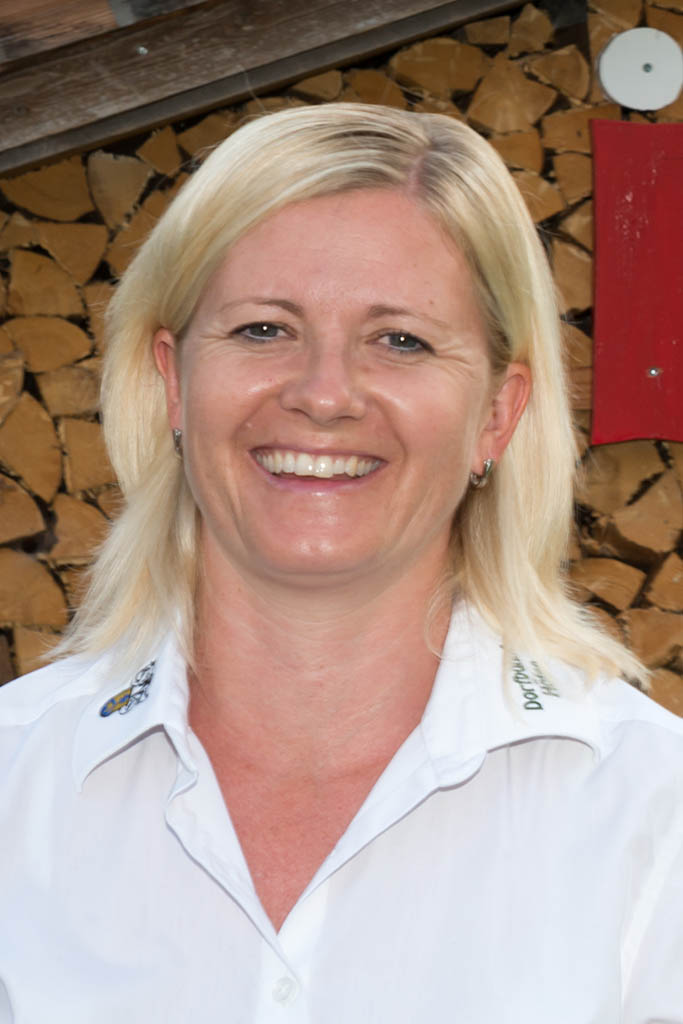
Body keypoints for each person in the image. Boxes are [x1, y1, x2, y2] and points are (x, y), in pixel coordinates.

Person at [1, 103, 682, 1023]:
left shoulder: (653, 815)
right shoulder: (17, 780)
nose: (324, 395)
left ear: (496, 413)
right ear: (172, 380)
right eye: (262, 330)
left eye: (400, 340)